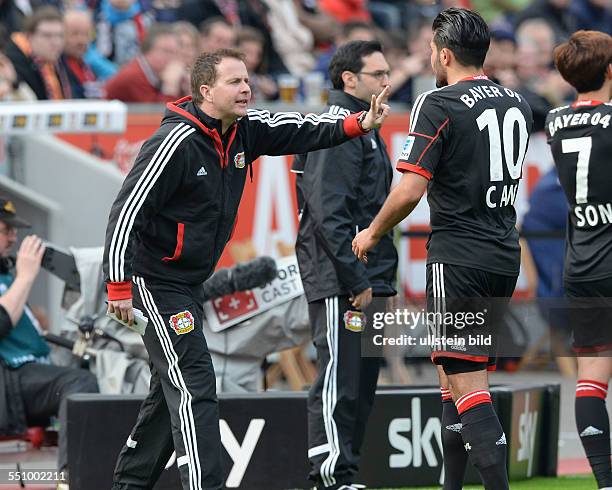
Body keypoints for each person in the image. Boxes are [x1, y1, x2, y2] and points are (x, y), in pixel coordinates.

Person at [103, 48, 389, 490]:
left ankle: (129, 484)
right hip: (153, 280)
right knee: (195, 380)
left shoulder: (245, 129)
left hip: (188, 281)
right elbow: (126, 212)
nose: (246, 88)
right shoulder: (173, 142)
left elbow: (299, 128)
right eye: (234, 82)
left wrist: (356, 124)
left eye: (247, 79)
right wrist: (118, 285)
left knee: (169, 390)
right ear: (204, 92)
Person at [352, 8, 533, 490]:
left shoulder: (437, 103)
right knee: (454, 379)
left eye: (432, 50)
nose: (430, 57)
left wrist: (371, 232)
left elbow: (410, 189)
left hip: (458, 255)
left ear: (445, 54)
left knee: (469, 388)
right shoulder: (516, 101)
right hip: (501, 253)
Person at [294, 40, 398, 490]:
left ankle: (344, 472)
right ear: (348, 80)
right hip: (343, 276)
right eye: (378, 75)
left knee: (361, 384)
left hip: (367, 274)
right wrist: (354, 278)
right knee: (340, 380)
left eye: (387, 73)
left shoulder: (364, 127)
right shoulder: (336, 128)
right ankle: (333, 476)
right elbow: (328, 213)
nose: (387, 82)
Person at [544, 30, 612, 490]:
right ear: (609, 71)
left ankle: (605, 482)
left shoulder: (553, 121)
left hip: (582, 264)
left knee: (591, 377)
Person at [0, 199, 99, 480]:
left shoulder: (5, 273)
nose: (13, 237)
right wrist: (26, 277)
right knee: (79, 384)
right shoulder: (16, 277)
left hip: (24, 375)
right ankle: (73, 478)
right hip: (9, 380)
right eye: (6, 230)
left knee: (89, 370)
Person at [104, 23, 187, 103]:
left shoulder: (153, 72)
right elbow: (158, 115)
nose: (172, 58)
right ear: (147, 51)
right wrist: (170, 86)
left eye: (175, 52)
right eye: (166, 51)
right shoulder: (134, 76)